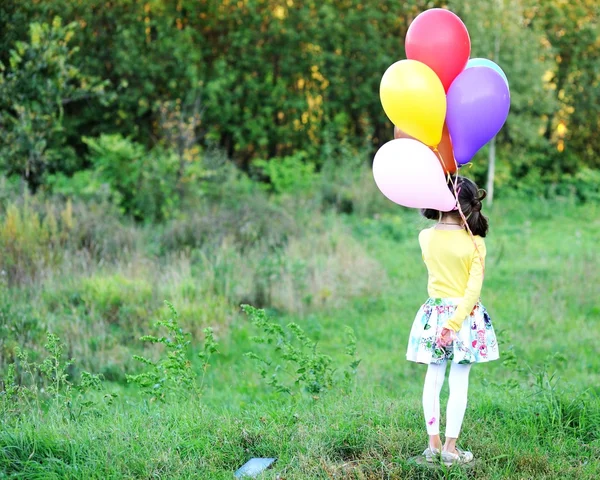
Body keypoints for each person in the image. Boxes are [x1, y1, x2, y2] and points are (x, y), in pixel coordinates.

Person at [406, 175, 499, 466]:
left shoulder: (426, 237)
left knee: (433, 378)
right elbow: (473, 290)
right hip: (466, 318)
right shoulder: (476, 242)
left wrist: (445, 324)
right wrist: (455, 323)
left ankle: (432, 445)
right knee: (459, 382)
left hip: (434, 316)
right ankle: (450, 448)